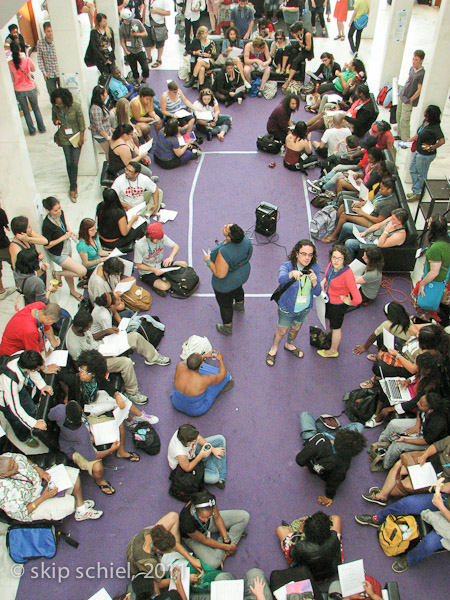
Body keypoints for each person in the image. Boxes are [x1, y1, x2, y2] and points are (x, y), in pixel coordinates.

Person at [355, 487, 450, 573]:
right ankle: (378, 518)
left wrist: (440, 506)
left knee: (429, 544)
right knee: (408, 503)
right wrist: (444, 487)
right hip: (447, 502)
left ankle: (409, 559)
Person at [48, 399, 133, 495]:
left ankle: (121, 451)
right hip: (74, 448)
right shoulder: (81, 434)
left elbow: (50, 416)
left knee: (118, 422)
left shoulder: (60, 410)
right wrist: (111, 449)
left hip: (87, 427)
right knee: (98, 468)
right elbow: (92, 456)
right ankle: (100, 481)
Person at [65, 311, 149, 406]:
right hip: (95, 363)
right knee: (126, 362)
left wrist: (106, 331)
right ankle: (132, 393)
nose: (89, 329)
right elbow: (80, 366)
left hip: (100, 346)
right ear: (81, 328)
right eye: (88, 327)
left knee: (134, 336)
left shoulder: (80, 327)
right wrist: (102, 357)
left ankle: (154, 357)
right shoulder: (74, 345)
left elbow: (91, 337)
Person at [0, 452, 102, 522]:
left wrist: (39, 470)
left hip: (41, 482)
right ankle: (77, 505)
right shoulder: (4, 493)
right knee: (69, 503)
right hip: (33, 503)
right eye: (13, 467)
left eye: (13, 461)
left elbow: (23, 459)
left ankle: (80, 508)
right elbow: (22, 514)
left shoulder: (6, 457)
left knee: (72, 474)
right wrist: (44, 496)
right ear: (4, 475)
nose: (17, 465)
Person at [266, 239, 321, 366]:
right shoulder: (287, 266)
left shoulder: (315, 267)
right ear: (297, 253)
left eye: (310, 255)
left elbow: (317, 292)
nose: (307, 258)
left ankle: (289, 344)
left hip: (304, 308)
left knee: (296, 329)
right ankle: (274, 349)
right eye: (303, 254)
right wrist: (291, 274)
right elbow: (281, 279)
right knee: (282, 331)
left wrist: (315, 282)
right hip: (287, 308)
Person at [296, 416, 366, 506]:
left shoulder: (319, 440)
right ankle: (336, 429)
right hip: (337, 441)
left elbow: (299, 460)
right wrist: (329, 496)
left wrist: (307, 463)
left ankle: (332, 428)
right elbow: (335, 481)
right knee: (359, 425)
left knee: (305, 415)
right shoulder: (345, 462)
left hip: (316, 438)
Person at [179, 489, 249, 569]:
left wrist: (226, 539)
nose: (205, 520)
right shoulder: (185, 522)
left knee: (244, 516)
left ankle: (224, 549)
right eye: (202, 517)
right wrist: (228, 547)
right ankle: (225, 545)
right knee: (213, 563)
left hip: (208, 526)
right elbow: (205, 540)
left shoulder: (209, 501)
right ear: (195, 509)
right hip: (193, 537)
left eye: (209, 516)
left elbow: (217, 517)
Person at [204, 223, 253, 336]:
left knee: (225, 305)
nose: (225, 225)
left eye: (226, 227)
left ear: (229, 237)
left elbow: (220, 274)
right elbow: (249, 255)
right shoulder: (246, 240)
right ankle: (240, 305)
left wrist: (207, 260)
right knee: (238, 289)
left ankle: (227, 328)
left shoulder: (224, 252)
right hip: (242, 274)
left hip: (226, 284)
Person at [322, 177, 398, 244]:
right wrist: (361, 203)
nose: (380, 190)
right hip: (366, 210)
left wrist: (362, 213)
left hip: (372, 221)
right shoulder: (383, 193)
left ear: (389, 190)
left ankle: (334, 236)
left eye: (382, 189)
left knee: (345, 215)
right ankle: (336, 229)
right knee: (342, 206)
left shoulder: (390, 204)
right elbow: (372, 199)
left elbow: (378, 221)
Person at [0, 351, 52, 446]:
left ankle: (30, 419)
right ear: (30, 369)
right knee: (15, 419)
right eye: (37, 368)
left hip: (19, 388)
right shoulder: (10, 380)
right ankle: (24, 437)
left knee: (31, 408)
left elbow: (33, 372)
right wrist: (33, 423)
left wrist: (42, 386)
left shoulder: (23, 355)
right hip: (4, 398)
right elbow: (15, 408)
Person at [318, 245, 362, 357]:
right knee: (331, 323)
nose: (336, 261)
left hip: (337, 305)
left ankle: (333, 351)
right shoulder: (331, 265)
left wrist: (349, 302)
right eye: (334, 257)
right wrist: (324, 282)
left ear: (344, 259)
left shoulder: (347, 274)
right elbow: (328, 276)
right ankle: (331, 335)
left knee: (336, 327)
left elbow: (358, 299)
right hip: (328, 299)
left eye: (340, 258)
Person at [127, 513, 202, 578]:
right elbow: (158, 583)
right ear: (158, 551)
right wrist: (184, 577)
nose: (173, 550)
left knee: (174, 516)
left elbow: (173, 543)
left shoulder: (154, 532)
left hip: (143, 545)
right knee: (166, 569)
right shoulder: (148, 561)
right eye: (168, 551)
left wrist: (191, 559)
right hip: (138, 564)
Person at [41, 196, 86, 300]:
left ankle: (72, 291)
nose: (59, 211)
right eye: (55, 210)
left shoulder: (61, 214)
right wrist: (63, 237)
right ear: (48, 210)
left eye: (59, 208)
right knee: (81, 271)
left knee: (68, 269)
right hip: (58, 252)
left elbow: (64, 226)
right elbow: (47, 244)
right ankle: (58, 274)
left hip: (66, 246)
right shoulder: (47, 225)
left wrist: (70, 232)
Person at [276, 512, 342, 580]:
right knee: (336, 518)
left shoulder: (300, 546)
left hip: (308, 577)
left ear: (306, 532)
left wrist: (299, 532)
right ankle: (290, 530)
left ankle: (290, 530)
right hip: (331, 572)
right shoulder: (334, 536)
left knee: (280, 529)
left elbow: (291, 553)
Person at [411, 215, 450, 320]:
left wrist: (423, 284)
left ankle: (426, 320)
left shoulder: (435, 249)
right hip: (446, 279)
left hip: (437, 281)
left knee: (417, 299)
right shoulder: (448, 237)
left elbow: (434, 272)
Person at [171, 351, 233, 416]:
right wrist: (221, 360)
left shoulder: (179, 366)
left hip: (175, 403)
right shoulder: (204, 380)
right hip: (195, 411)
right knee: (227, 376)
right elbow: (223, 375)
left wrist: (204, 356)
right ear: (201, 365)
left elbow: (188, 362)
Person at [50, 88, 86, 202]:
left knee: (74, 163)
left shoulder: (75, 107)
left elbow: (82, 123)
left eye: (60, 103)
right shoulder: (55, 108)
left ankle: (73, 186)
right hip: (64, 137)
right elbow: (53, 119)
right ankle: (72, 184)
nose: (59, 105)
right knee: (69, 162)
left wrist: (81, 137)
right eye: (57, 103)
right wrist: (56, 121)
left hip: (75, 138)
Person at [134, 222, 188, 297]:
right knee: (165, 286)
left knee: (184, 264)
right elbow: (138, 265)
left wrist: (170, 257)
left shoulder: (160, 237)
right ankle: (162, 281)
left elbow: (176, 246)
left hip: (160, 264)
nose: (159, 241)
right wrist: (153, 270)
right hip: (148, 272)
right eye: (157, 240)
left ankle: (166, 278)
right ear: (150, 237)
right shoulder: (139, 245)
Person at [168, 424, 227, 488]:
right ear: (188, 443)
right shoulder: (180, 453)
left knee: (221, 439)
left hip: (193, 452)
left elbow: (199, 438)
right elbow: (187, 468)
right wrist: (201, 456)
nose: (197, 440)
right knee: (214, 478)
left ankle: (221, 477)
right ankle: (215, 470)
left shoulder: (184, 432)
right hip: (185, 466)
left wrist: (213, 449)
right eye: (195, 440)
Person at [339, 208, 409, 262]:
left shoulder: (399, 235)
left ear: (399, 222)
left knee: (349, 243)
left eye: (393, 219)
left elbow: (380, 245)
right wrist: (365, 232)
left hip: (375, 244)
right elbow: (378, 225)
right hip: (372, 234)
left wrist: (386, 230)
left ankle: (348, 262)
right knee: (347, 226)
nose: (391, 219)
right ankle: (338, 244)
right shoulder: (391, 219)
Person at [407, 105, 445, 202]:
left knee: (421, 174)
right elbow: (418, 134)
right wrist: (409, 141)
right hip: (419, 151)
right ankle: (416, 190)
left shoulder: (435, 127)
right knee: (412, 170)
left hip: (425, 155)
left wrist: (431, 147)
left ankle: (419, 192)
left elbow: (442, 141)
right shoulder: (426, 123)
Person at [8, 41, 46, 137]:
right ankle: (41, 128)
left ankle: (32, 131)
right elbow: (33, 69)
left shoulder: (9, 63)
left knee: (25, 111)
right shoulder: (27, 59)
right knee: (36, 108)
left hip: (18, 89)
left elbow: (12, 78)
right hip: (30, 87)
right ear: (20, 49)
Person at [396, 50, 425, 142]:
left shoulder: (421, 73)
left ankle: (405, 139)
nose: (414, 61)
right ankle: (399, 135)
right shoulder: (412, 69)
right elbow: (408, 80)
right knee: (399, 116)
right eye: (413, 59)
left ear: (421, 60)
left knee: (405, 120)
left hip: (408, 99)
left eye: (416, 60)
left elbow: (419, 89)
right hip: (403, 95)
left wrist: (411, 99)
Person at [281, 21, 314, 91]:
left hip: (306, 50)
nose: (294, 34)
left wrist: (301, 44)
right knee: (287, 48)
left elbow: (308, 48)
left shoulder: (307, 34)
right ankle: (283, 68)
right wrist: (297, 39)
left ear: (299, 30)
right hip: (300, 45)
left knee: (295, 61)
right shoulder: (298, 33)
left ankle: (288, 80)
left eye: (295, 32)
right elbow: (294, 35)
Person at [120, 8, 149, 84]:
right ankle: (138, 81)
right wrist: (126, 51)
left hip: (139, 49)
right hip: (130, 51)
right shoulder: (122, 28)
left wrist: (137, 34)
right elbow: (122, 41)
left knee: (145, 68)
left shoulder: (137, 22)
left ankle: (144, 80)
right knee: (134, 69)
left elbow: (145, 33)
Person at [141, 0, 171, 69]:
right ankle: (148, 57)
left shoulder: (163, 1)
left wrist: (156, 11)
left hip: (158, 24)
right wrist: (143, 22)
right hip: (147, 24)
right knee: (146, 41)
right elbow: (145, 9)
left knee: (160, 42)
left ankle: (159, 59)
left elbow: (168, 12)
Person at [36, 22, 60, 97]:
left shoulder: (57, 41)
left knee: (62, 93)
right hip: (49, 74)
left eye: (52, 31)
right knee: (52, 94)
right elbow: (39, 58)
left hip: (59, 72)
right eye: (48, 31)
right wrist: (44, 72)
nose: (50, 33)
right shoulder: (40, 43)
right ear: (44, 31)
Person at [89, 85, 112, 154]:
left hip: (107, 132)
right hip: (102, 136)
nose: (106, 94)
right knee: (108, 153)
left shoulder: (101, 105)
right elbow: (99, 126)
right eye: (105, 93)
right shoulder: (96, 108)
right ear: (101, 95)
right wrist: (107, 137)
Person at [0, 203, 15, 300]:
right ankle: (21, 286)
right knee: (15, 262)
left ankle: (1, 290)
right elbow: (7, 226)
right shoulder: (0, 212)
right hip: (2, 245)